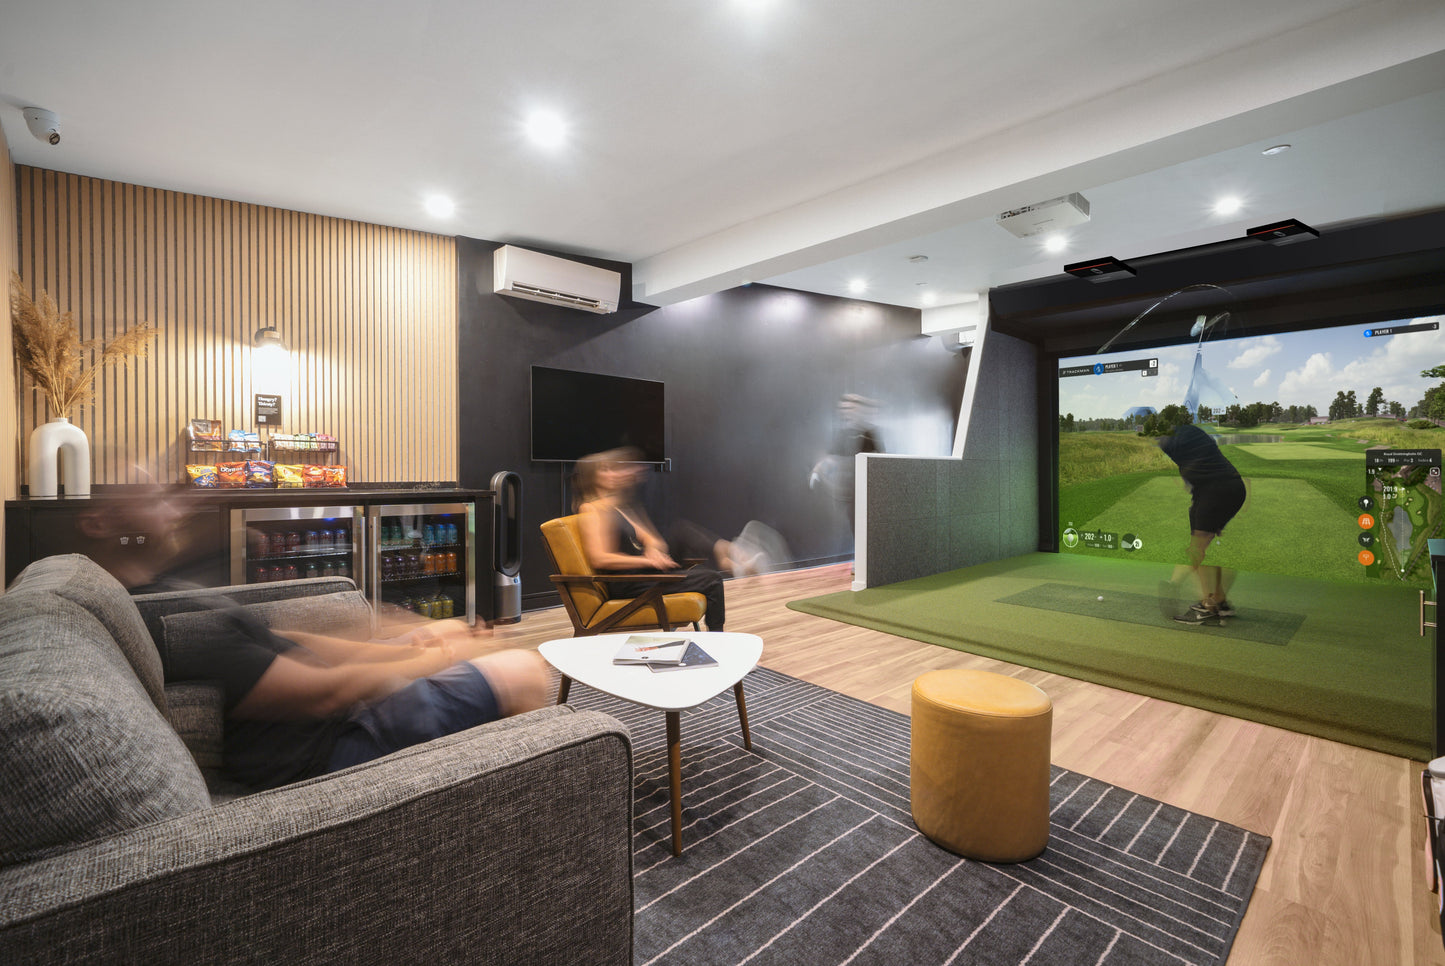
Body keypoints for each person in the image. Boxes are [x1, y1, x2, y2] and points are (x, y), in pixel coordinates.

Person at [169, 608, 549, 788]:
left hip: (337, 719)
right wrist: (433, 659)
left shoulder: (193, 615)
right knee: (526, 671)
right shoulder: (208, 643)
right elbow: (329, 693)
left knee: (449, 626)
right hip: (327, 750)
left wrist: (402, 647)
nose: (173, 509)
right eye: (160, 501)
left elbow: (303, 645)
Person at [572, 447, 740, 631]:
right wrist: (645, 559)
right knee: (712, 579)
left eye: (614, 468)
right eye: (605, 469)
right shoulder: (592, 509)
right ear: (592, 476)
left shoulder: (619, 508)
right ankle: (718, 641)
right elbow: (600, 558)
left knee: (680, 529)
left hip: (644, 573)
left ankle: (724, 549)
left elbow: (655, 541)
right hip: (629, 583)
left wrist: (651, 550)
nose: (614, 474)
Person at [1157, 424, 1247, 625]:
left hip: (1214, 492)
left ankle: (1197, 600)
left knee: (1196, 548)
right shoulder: (1193, 434)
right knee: (1200, 546)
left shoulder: (1171, 443)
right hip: (1232, 487)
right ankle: (1219, 601)